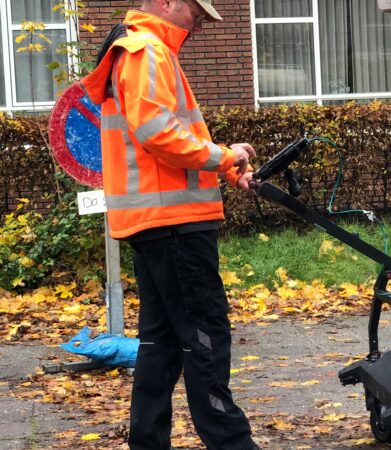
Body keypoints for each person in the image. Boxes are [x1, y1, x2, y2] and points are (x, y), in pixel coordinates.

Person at [81, 1, 260, 449]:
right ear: (165, 3)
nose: (200, 23)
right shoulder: (148, 51)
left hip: (154, 223)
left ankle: (147, 441)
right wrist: (222, 157)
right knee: (205, 339)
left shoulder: (138, 50)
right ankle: (232, 444)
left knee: (159, 346)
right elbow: (158, 132)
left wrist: (226, 165)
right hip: (176, 225)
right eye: (195, 13)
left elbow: (167, 140)